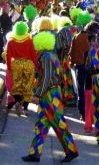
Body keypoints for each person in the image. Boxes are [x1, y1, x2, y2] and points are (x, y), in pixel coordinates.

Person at [22, 31, 78, 163]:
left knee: (59, 123)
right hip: (51, 93)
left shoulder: (45, 57)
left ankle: (72, 150)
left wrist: (37, 94)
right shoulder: (51, 55)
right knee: (41, 124)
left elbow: (46, 78)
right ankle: (34, 153)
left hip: (50, 94)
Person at [4, 21, 37, 115]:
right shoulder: (29, 40)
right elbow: (33, 54)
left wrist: (10, 67)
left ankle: (17, 101)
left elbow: (8, 56)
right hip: (28, 65)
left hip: (16, 65)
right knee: (27, 87)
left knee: (16, 86)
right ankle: (25, 109)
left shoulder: (10, 41)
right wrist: (35, 65)